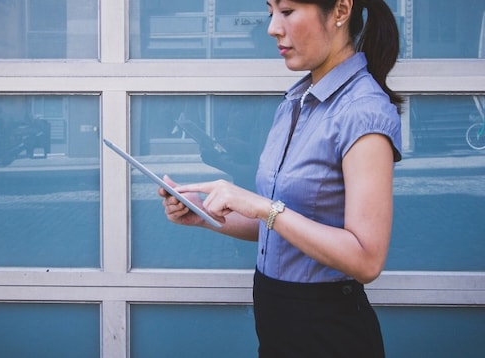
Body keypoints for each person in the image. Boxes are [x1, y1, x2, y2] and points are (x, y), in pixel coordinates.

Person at [158, 0, 402, 356]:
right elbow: (284, 226)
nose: (272, 27)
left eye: (287, 11)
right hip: (277, 325)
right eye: (271, 11)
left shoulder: (363, 111)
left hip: (328, 334)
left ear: (340, 10)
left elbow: (367, 260)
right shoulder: (296, 101)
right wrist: (204, 214)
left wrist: (260, 205)